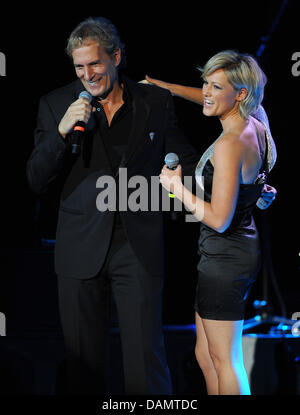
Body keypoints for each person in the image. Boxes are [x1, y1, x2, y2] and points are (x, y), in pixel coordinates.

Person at [26, 16, 203, 395]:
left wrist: (223, 191)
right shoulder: (57, 104)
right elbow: (36, 180)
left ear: (117, 56)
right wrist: (61, 134)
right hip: (79, 246)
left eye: (95, 64)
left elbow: (185, 163)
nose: (87, 75)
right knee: (83, 366)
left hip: (137, 246)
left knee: (145, 360)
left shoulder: (154, 101)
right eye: (79, 67)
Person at [149, 50, 277, 395]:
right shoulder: (256, 122)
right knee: (205, 355)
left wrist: (176, 188)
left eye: (215, 86)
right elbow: (252, 180)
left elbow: (219, 219)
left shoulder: (229, 145)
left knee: (225, 359)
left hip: (226, 257)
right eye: (204, 83)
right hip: (227, 253)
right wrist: (169, 88)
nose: (205, 92)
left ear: (240, 95)